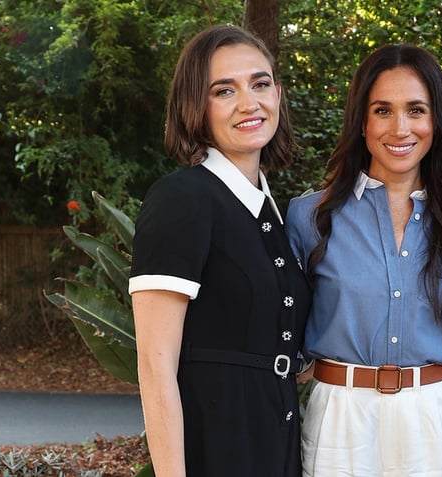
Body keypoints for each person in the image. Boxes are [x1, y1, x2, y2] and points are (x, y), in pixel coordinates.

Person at [285, 44, 442, 476]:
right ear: (361, 121)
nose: (400, 128)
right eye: (382, 110)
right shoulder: (308, 218)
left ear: (436, 121)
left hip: (434, 419)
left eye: (416, 110)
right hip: (341, 418)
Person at [128, 25, 310, 476]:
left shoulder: (272, 211)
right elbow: (154, 368)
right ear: (197, 106)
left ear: (278, 94)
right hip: (218, 448)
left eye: (260, 83)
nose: (250, 103)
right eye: (224, 90)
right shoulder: (182, 199)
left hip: (277, 442)